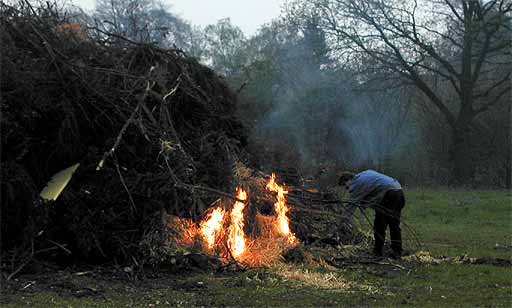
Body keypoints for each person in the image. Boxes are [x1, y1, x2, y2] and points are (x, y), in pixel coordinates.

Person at [338, 170, 405, 258]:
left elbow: (350, 207)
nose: (347, 189)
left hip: (389, 194)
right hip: (399, 192)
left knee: (379, 225)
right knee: (394, 224)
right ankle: (397, 251)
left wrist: (342, 222)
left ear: (349, 180)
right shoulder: (363, 175)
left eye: (345, 186)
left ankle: (378, 251)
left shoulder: (357, 184)